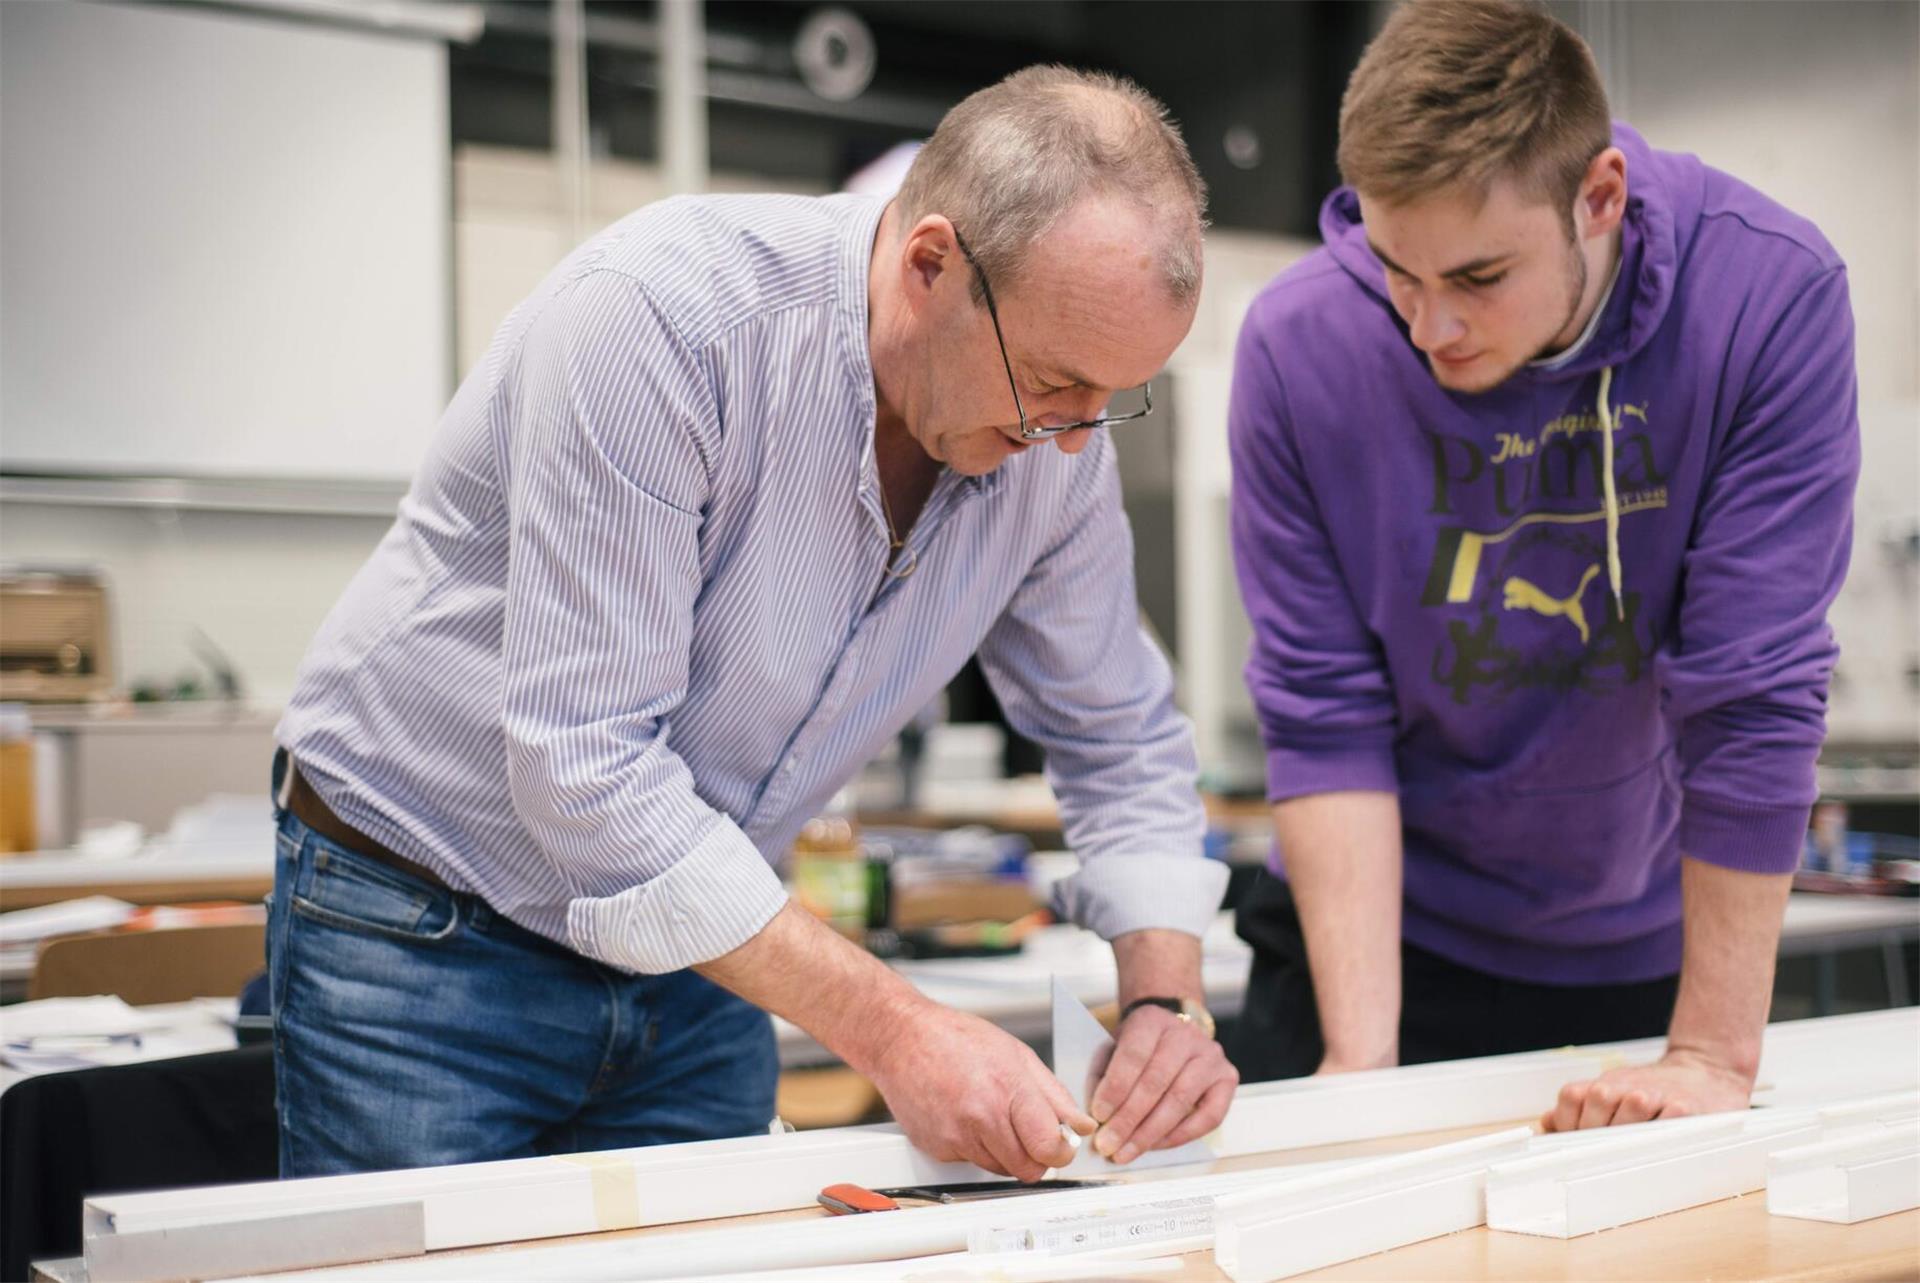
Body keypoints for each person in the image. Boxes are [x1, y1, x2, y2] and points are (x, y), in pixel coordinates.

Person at [268, 65, 1237, 1180]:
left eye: (1111, 400)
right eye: (1056, 384)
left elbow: (1118, 735)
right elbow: (588, 767)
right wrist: (896, 1027)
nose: (1073, 438)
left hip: (705, 947)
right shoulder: (666, 320)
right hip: (424, 918)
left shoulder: (1055, 443)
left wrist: (1164, 998)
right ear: (929, 265)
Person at [1225, 0, 1857, 1133]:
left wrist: (1713, 1053)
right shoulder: (1300, 344)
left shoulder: (1767, 297)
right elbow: (1325, 710)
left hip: (1645, 951)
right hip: (1380, 949)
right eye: (1395, 271)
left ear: (1599, 196)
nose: (1430, 327)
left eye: (1477, 276)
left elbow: (1752, 693)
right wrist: (1359, 1074)